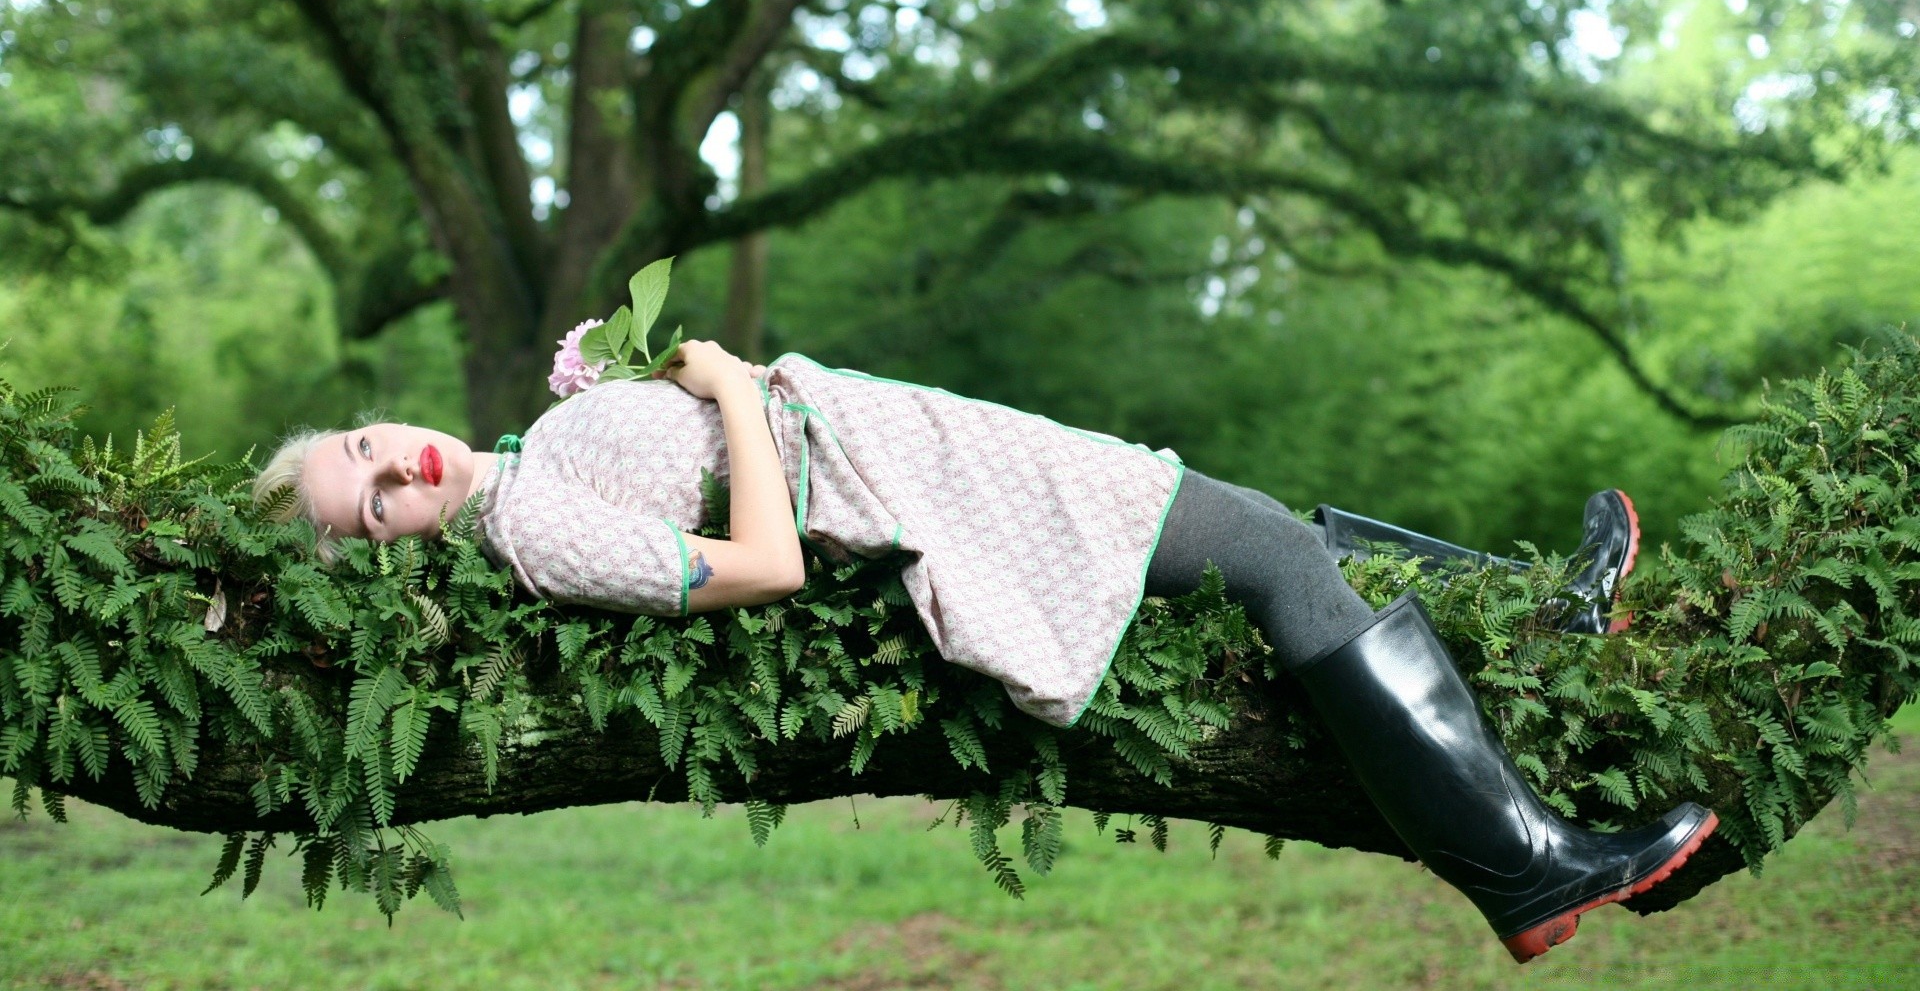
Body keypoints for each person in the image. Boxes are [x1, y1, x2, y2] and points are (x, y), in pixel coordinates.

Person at [253, 339, 1715, 963]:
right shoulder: (533, 533)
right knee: (1264, 549)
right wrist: (722, 388)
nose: (400, 480)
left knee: (1269, 531)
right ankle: (1525, 864)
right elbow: (757, 563)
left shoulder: (523, 460)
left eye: (375, 451)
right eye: (372, 511)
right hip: (907, 490)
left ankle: (1539, 611)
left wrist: (662, 388)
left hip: (910, 442)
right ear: (389, 550)